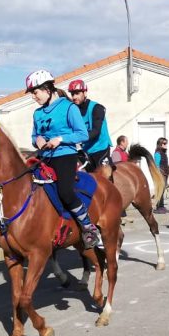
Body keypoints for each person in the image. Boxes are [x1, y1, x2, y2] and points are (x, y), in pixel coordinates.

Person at [25, 69, 101, 249]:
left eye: (35, 93)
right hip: (44, 157)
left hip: (65, 156)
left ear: (47, 89)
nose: (34, 97)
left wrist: (60, 139)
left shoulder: (69, 108)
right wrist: (38, 140)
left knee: (65, 193)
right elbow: (34, 135)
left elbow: (82, 134)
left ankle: (88, 227)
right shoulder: (37, 114)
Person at [68, 79, 112, 172]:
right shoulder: (74, 111)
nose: (74, 97)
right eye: (72, 94)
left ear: (85, 93)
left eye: (77, 93)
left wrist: (78, 138)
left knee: (105, 178)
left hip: (101, 148)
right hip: (86, 150)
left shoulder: (97, 108)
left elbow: (96, 131)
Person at [153, 137, 169, 214]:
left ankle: (162, 206)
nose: (166, 145)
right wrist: (160, 175)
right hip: (160, 175)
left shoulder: (163, 153)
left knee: (162, 191)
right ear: (160, 144)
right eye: (164, 143)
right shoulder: (157, 153)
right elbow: (156, 165)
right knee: (160, 191)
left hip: (165, 174)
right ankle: (158, 207)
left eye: (166, 143)